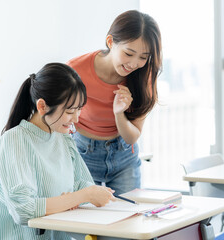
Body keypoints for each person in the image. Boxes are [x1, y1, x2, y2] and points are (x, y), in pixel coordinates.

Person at [0, 63, 115, 240]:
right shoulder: (14, 140)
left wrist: (84, 195)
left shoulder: (62, 137)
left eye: (79, 109)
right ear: (42, 106)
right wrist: (77, 197)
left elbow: (83, 184)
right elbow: (23, 210)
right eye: (70, 111)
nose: (76, 118)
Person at [67, 10, 162, 196]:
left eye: (143, 57)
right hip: (82, 154)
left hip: (124, 155)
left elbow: (131, 137)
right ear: (111, 42)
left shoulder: (144, 76)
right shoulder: (75, 70)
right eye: (129, 53)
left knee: (129, 218)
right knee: (84, 220)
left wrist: (119, 112)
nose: (134, 64)